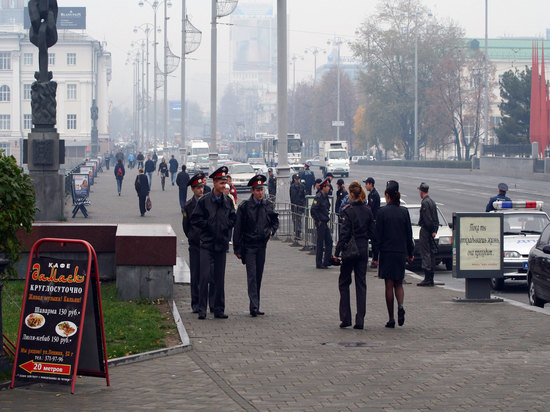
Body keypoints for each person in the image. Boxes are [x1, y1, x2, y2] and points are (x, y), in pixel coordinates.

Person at [190, 166, 237, 320]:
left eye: (225, 183)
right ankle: (202, 309)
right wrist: (208, 226)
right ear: (214, 183)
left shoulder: (227, 201)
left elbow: (233, 218)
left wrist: (225, 226)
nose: (224, 186)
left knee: (219, 278)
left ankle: (219, 309)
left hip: (221, 244)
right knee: (204, 277)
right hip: (207, 245)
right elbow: (196, 219)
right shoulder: (204, 201)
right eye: (221, 183)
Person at [233, 175, 279, 317]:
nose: (260, 193)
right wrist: (237, 249)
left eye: (262, 190)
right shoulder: (245, 207)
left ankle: (256, 304)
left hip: (261, 246)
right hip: (249, 246)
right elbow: (238, 229)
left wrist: (271, 231)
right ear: (252, 191)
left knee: (258, 275)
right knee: (252, 276)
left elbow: (274, 221)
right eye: (257, 190)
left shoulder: (267, 205)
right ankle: (253, 306)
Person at [333, 181, 376, 330]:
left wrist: (336, 252)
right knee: (361, 284)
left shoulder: (348, 211)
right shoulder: (368, 210)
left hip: (350, 251)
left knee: (344, 282)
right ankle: (360, 320)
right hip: (363, 250)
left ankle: (346, 318)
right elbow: (373, 233)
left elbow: (344, 235)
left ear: (351, 194)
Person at [375, 180, 414, 328]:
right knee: (399, 283)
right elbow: (408, 234)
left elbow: (378, 236)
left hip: (386, 252)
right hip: (400, 252)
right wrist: (410, 253)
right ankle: (401, 305)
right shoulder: (404, 212)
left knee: (388, 285)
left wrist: (376, 257)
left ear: (387, 195)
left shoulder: (381, 212)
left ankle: (391, 318)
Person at [183, 172, 214, 313]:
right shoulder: (189, 205)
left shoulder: (208, 202)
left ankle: (210, 303)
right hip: (195, 245)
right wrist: (191, 236)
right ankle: (195, 303)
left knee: (208, 275)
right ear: (193, 189)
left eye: (202, 187)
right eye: (197, 188)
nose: (201, 190)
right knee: (195, 275)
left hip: (207, 244)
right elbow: (186, 225)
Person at [417, 182, 439, 287]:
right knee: (431, 254)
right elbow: (436, 219)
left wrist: (430, 231)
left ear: (421, 191)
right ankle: (431, 278)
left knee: (425, 253)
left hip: (426, 231)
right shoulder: (432, 202)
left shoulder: (425, 203)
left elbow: (428, 220)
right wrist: (435, 230)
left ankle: (427, 278)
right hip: (431, 231)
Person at [310, 178, 333, 269]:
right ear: (323, 187)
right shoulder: (318, 197)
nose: (329, 188)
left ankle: (326, 261)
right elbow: (313, 210)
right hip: (321, 223)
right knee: (320, 243)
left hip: (324, 222)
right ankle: (319, 263)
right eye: (327, 186)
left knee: (329, 242)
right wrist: (318, 220)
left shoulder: (325, 196)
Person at [364, 177, 381, 268]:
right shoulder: (371, 194)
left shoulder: (375, 195)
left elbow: (372, 209)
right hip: (370, 221)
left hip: (374, 221)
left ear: (370, 184)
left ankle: (375, 260)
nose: (365, 186)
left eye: (366, 184)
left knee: (375, 242)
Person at [289, 173, 306, 239]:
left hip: (300, 205)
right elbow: (291, 196)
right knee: (294, 220)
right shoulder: (292, 186)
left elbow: (304, 197)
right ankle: (296, 232)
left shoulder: (302, 186)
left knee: (299, 219)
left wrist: (303, 205)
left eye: (298, 179)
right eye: (296, 179)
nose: (297, 180)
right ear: (294, 179)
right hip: (294, 206)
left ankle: (298, 233)